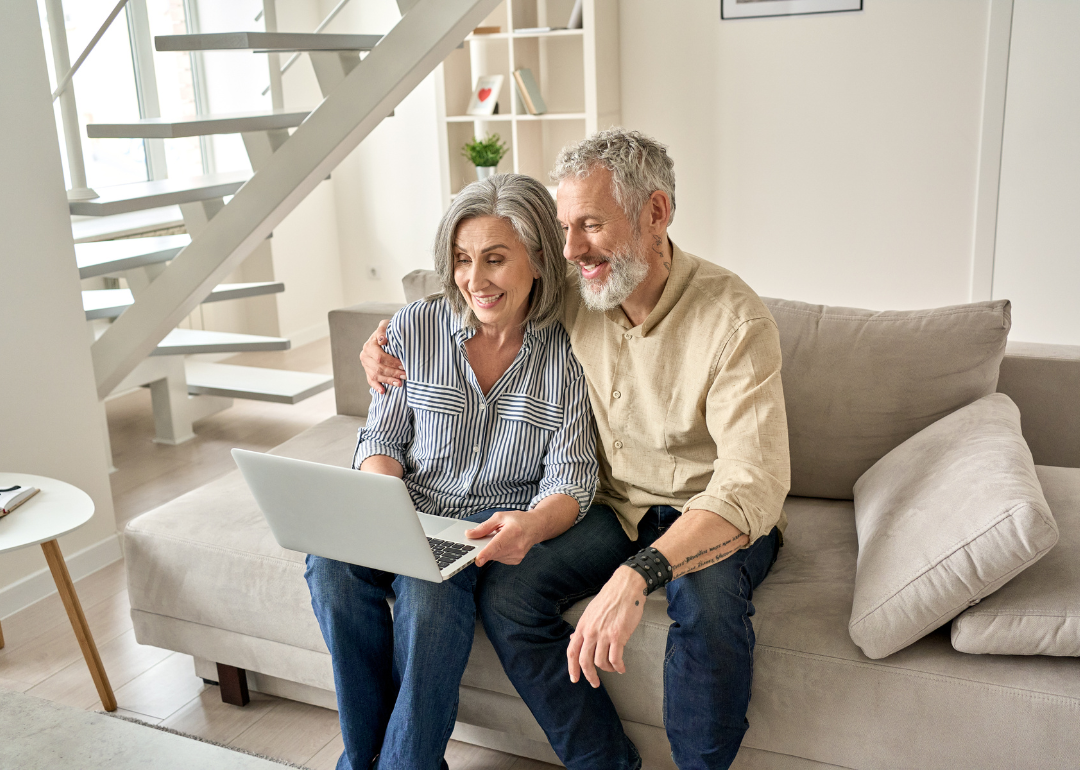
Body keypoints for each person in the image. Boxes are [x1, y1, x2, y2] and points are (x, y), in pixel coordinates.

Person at [362, 129, 791, 770]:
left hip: (710, 513)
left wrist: (642, 573)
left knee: (704, 606)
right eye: (564, 228)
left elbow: (751, 483)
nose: (570, 249)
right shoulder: (577, 286)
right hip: (615, 510)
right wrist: (382, 341)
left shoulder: (733, 319)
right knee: (508, 596)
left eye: (589, 224)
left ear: (655, 213)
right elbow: (473, 280)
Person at [306, 173, 605, 770]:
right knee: (329, 564)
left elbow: (572, 478)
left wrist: (532, 525)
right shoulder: (415, 326)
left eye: (495, 259)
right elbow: (382, 433)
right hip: (405, 501)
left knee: (429, 592)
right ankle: (365, 759)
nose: (475, 279)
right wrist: (379, 498)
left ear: (540, 259)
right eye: (462, 260)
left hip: (482, 524)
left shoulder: (574, 347)